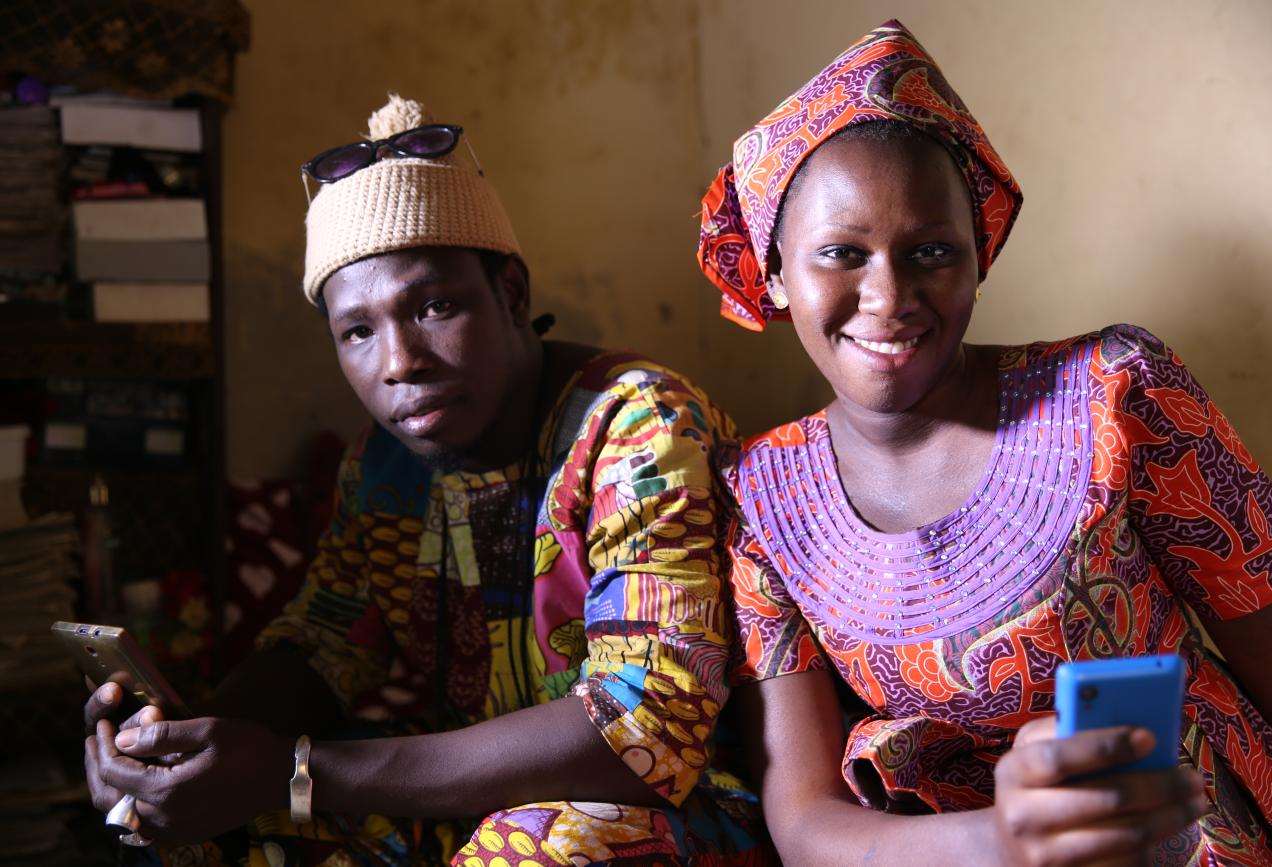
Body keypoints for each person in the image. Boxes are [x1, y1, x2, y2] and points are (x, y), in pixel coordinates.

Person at [83, 94, 774, 867]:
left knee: (539, 848)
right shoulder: (383, 467)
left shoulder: (637, 427)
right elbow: (324, 646)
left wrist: (292, 769)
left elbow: (645, 733)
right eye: (357, 331)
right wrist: (181, 747)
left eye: (436, 306)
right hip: (473, 804)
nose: (398, 362)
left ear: (511, 293)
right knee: (197, 835)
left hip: (681, 812)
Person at [697, 20, 1272, 866]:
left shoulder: (1117, 394)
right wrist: (1002, 838)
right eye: (841, 253)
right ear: (773, 272)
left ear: (979, 256)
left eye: (931, 251)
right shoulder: (760, 501)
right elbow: (805, 824)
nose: (889, 295)